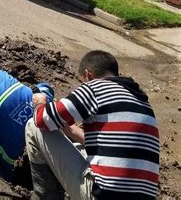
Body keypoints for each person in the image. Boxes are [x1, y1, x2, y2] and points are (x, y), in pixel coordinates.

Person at [26, 50, 159, 200]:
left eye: (82, 81)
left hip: (102, 196)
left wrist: (40, 103)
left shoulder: (95, 88)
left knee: (33, 126)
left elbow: (42, 119)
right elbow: (109, 144)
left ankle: (45, 196)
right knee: (78, 148)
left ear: (88, 75)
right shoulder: (143, 103)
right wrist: (67, 128)